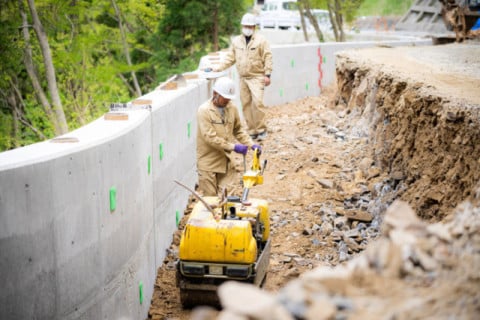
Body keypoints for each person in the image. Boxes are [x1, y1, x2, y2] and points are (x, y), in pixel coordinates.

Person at [196, 76, 262, 196]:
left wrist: (251, 144)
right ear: (215, 93)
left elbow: (238, 129)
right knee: (210, 200)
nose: (227, 101)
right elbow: (210, 138)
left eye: (229, 98)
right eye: (225, 98)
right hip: (209, 164)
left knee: (228, 198)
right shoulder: (204, 111)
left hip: (227, 161)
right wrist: (234, 147)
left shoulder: (232, 108)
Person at [212, 13, 273, 141]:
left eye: (250, 26)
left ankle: (261, 129)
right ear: (242, 26)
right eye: (245, 26)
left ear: (254, 27)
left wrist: (267, 74)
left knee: (258, 103)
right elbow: (230, 58)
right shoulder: (236, 42)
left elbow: (268, 56)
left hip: (257, 76)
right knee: (245, 104)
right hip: (243, 78)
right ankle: (252, 130)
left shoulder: (261, 41)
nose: (247, 28)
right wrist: (218, 68)